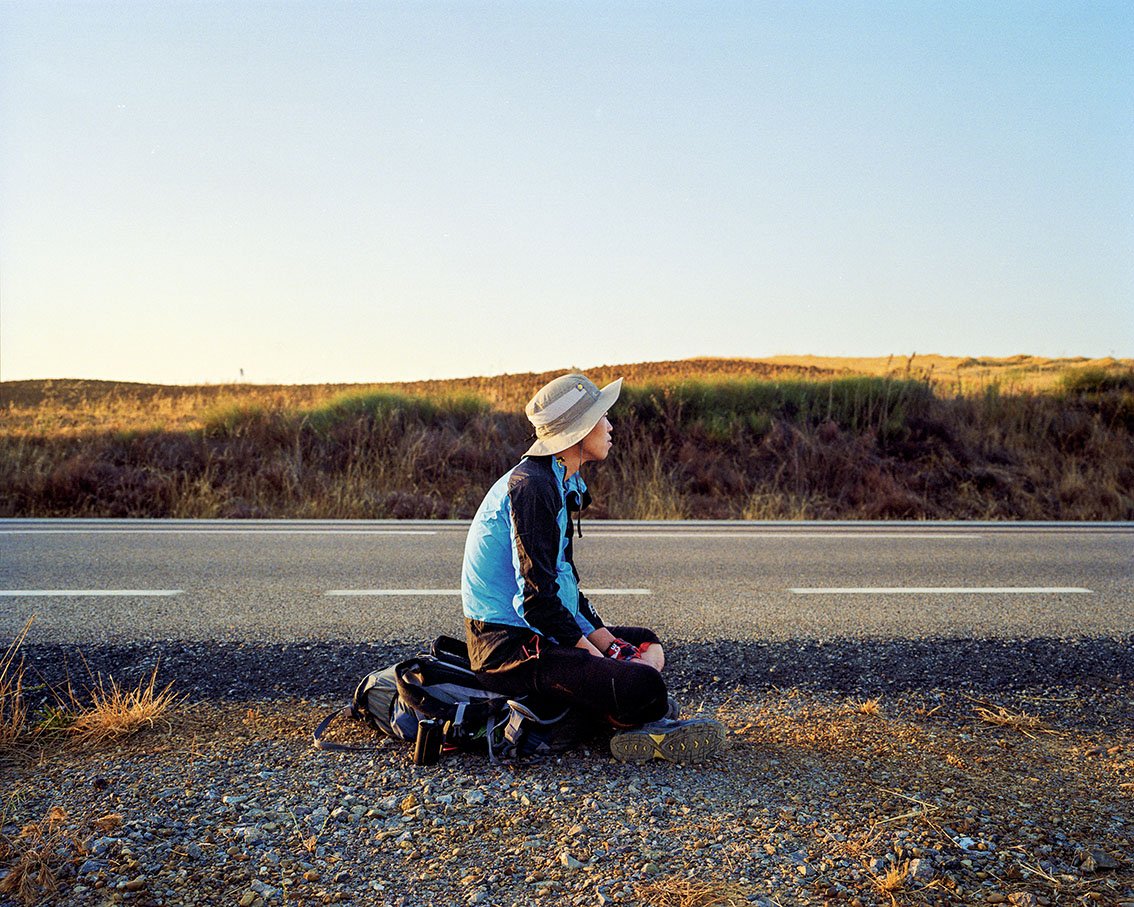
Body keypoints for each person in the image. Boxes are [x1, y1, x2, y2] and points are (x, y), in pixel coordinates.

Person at [461, 372, 725, 763]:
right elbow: (537, 604)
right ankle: (625, 714)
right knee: (644, 686)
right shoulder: (532, 488)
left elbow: (563, 588)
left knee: (646, 642)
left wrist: (613, 646)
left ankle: (610, 710)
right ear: (578, 431)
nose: (610, 425)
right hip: (508, 648)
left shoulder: (560, 481)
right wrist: (600, 659)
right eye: (602, 416)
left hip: (540, 631)